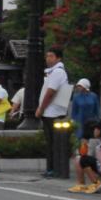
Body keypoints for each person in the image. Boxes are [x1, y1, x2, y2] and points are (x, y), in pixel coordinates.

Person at [35, 46, 70, 178]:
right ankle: (52, 169)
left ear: (58, 58)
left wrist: (41, 108)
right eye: (47, 56)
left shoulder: (57, 72)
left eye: (51, 56)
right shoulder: (53, 72)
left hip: (52, 113)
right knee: (51, 142)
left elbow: (50, 92)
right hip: (52, 112)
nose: (48, 59)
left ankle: (53, 169)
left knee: (53, 143)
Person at [70, 119, 101, 194]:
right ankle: (81, 184)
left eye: (96, 129)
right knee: (79, 158)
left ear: (100, 131)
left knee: (84, 159)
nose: (94, 131)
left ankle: (96, 183)